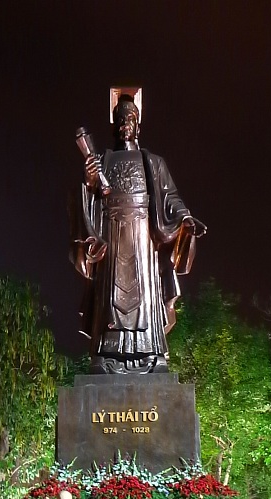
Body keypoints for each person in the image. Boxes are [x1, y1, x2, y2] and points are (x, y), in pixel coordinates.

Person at [71, 90, 206, 374]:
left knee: (145, 298)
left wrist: (185, 219)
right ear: (114, 126)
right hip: (112, 236)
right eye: (120, 120)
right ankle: (107, 353)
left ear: (138, 125)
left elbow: (171, 198)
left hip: (144, 238)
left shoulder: (153, 163)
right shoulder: (104, 161)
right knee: (110, 298)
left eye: (130, 119)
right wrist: (89, 182)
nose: (124, 125)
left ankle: (150, 353)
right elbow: (88, 201)